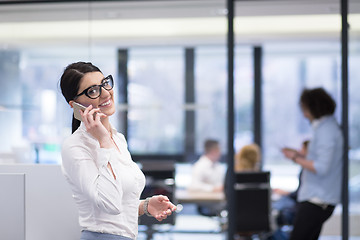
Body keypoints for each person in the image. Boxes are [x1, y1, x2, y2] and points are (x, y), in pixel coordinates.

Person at [59, 62, 176, 240]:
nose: (106, 93)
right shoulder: (75, 146)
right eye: (92, 91)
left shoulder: (118, 139)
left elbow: (116, 206)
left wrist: (145, 206)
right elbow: (110, 204)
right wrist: (103, 140)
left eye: (104, 83)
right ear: (75, 105)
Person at [281, 88, 343, 240]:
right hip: (318, 199)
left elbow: (321, 167)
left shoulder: (326, 131)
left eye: (305, 109)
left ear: (314, 108)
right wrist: (300, 155)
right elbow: (323, 158)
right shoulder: (327, 128)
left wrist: (295, 158)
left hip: (317, 200)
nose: (304, 114)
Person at [188, 139, 225, 216]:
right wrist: (212, 189)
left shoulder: (217, 166)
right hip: (209, 203)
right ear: (213, 151)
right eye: (219, 150)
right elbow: (193, 186)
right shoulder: (200, 166)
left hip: (219, 199)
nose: (220, 153)